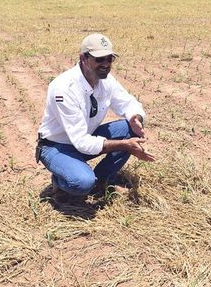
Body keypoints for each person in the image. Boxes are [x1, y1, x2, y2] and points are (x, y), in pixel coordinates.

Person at [36, 33, 155, 200]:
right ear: (83, 58)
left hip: (85, 138)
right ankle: (60, 180)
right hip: (57, 147)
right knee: (82, 183)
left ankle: (103, 180)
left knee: (129, 127)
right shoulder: (64, 88)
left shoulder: (106, 81)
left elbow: (128, 103)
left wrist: (136, 118)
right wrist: (125, 145)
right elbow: (81, 142)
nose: (105, 64)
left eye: (109, 59)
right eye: (99, 59)